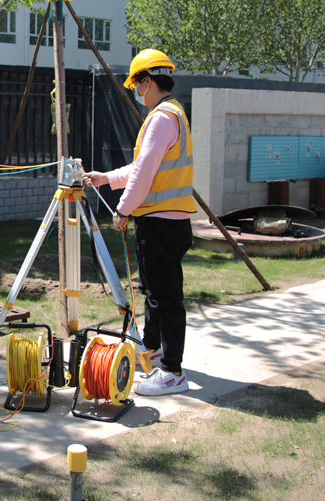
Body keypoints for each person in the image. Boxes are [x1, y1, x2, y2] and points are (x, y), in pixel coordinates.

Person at [83, 49, 195, 396]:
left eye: (136, 84)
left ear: (148, 81)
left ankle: (173, 373)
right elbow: (144, 168)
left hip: (161, 222)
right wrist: (108, 178)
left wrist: (123, 210)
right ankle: (155, 348)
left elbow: (145, 172)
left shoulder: (162, 117)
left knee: (166, 297)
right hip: (165, 221)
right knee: (155, 294)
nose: (136, 90)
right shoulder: (172, 114)